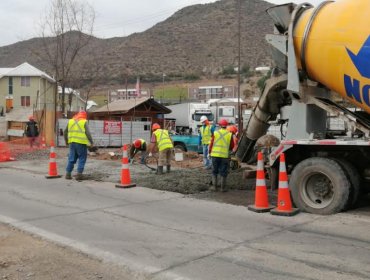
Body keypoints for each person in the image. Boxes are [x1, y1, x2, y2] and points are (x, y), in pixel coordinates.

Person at [64, 111, 94, 181]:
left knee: (71, 158)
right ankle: (79, 175)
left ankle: (68, 174)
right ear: (84, 116)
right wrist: (91, 142)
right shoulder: (84, 121)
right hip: (81, 143)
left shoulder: (71, 121)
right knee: (82, 158)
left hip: (71, 143)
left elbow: (65, 132)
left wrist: (66, 142)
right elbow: (88, 133)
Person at [209, 119, 234, 192]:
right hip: (224, 156)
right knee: (223, 171)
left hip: (215, 155)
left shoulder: (215, 133)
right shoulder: (229, 134)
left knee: (214, 171)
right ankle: (223, 188)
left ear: (220, 125)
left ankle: (214, 187)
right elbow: (232, 146)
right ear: (226, 126)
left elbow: (211, 144)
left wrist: (209, 152)